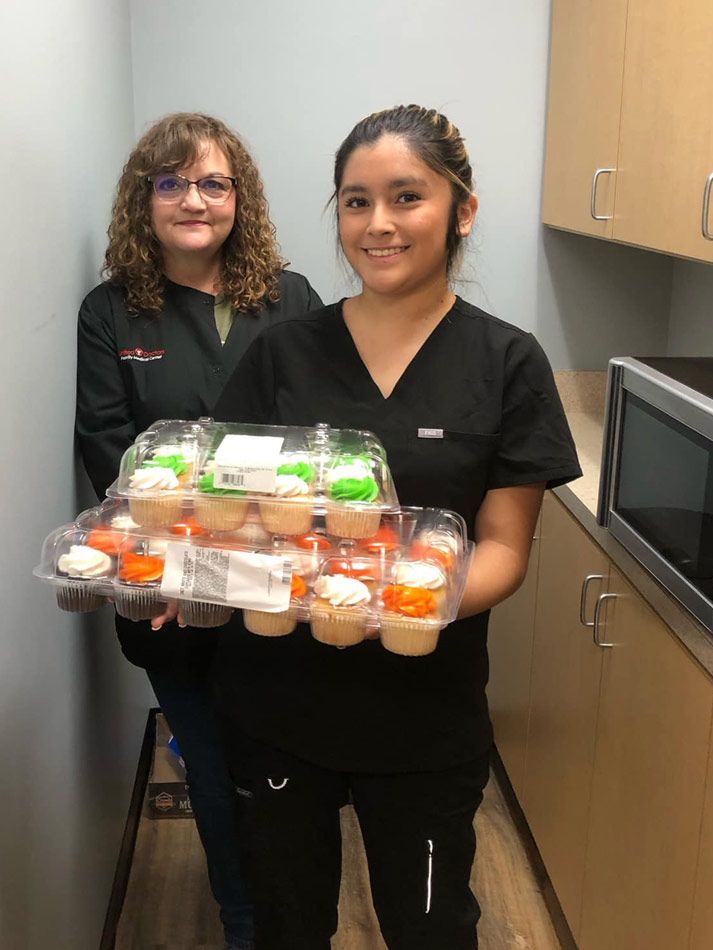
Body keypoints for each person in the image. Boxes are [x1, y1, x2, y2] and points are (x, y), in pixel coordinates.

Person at [210, 104, 582, 949]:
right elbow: (231, 515)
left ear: (462, 210)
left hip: (422, 710)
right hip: (277, 699)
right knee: (287, 920)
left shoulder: (505, 361)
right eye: (354, 201)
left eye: (405, 196)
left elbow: (503, 549)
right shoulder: (281, 355)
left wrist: (396, 602)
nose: (377, 224)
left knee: (430, 925)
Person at [74, 112, 322, 950]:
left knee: (280, 767)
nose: (193, 200)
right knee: (214, 773)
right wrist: (175, 568)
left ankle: (298, 918)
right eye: (171, 182)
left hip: (270, 580)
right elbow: (109, 450)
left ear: (238, 198)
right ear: (142, 201)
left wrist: (249, 551)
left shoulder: (290, 298)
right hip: (168, 595)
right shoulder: (111, 312)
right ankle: (245, 924)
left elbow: (310, 446)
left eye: (213, 182)